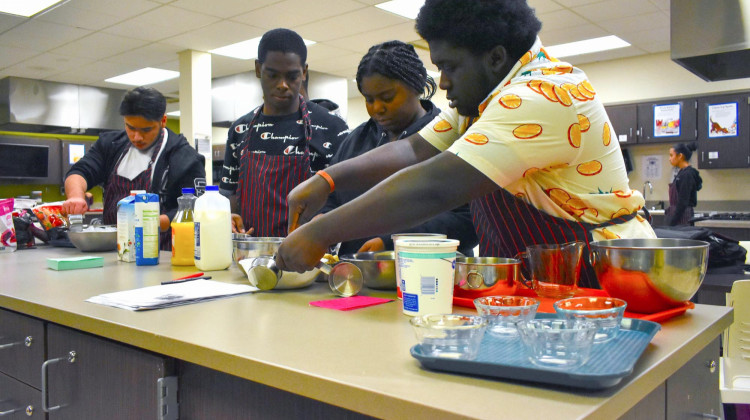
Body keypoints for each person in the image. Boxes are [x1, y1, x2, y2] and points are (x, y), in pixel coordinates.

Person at [276, 0, 656, 288]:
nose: (442, 84)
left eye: (450, 67)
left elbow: (435, 187)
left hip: (601, 283)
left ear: (494, 57)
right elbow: (413, 150)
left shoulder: (542, 95)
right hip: (541, 286)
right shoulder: (487, 97)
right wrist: (326, 179)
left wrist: (321, 232)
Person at [321, 40, 477, 256]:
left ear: (417, 86)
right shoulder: (356, 140)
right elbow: (331, 196)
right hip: (357, 273)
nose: (377, 108)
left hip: (430, 270)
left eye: (387, 97)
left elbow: (467, 220)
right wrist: (322, 221)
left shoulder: (450, 136)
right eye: (369, 99)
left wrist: (392, 241)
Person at [219, 28, 349, 237]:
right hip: (250, 257)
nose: (282, 85)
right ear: (257, 68)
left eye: (292, 76)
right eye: (272, 75)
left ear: (304, 72)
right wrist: (227, 217)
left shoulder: (332, 128)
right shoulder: (239, 130)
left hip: (313, 256)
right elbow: (228, 196)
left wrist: (323, 224)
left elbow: (347, 198)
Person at [63, 87, 205, 249]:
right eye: (130, 127)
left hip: (164, 252)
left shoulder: (185, 157)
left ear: (163, 121)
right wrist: (76, 197)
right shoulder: (110, 145)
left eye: (146, 130)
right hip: (114, 248)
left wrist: (150, 224)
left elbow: (196, 209)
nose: (137, 137)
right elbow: (80, 172)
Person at [665, 142, 702, 226]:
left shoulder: (687, 175)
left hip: (683, 217)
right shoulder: (682, 173)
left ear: (680, 156)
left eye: (671, 155)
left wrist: (672, 222)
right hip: (679, 214)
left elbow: (682, 202)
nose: (669, 159)